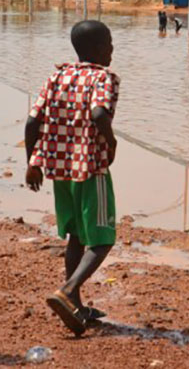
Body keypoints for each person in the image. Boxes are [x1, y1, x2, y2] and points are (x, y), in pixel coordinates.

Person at [25, 20, 119, 335]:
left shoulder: (58, 76)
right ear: (98, 49)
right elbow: (98, 113)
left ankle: (74, 304)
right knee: (102, 238)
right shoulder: (103, 77)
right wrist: (112, 142)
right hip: (90, 168)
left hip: (59, 170)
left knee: (76, 235)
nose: (112, 49)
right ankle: (68, 290)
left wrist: (32, 163)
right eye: (109, 43)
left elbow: (32, 122)